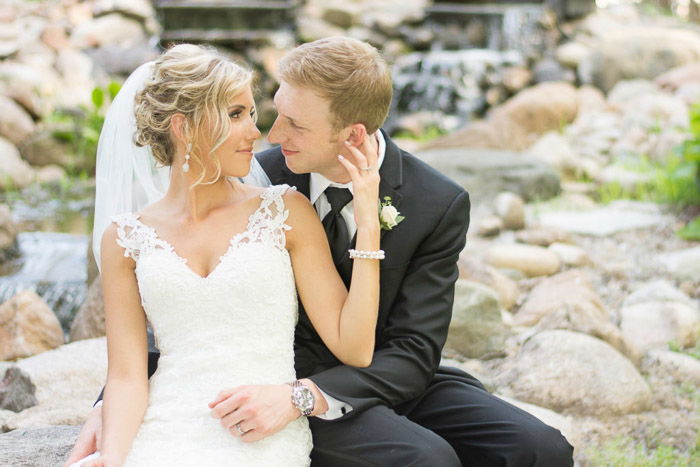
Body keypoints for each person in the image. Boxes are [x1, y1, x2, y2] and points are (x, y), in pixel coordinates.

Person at [68, 37, 575, 467]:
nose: (270, 134)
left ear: (351, 134)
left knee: (538, 449)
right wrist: (111, 402)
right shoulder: (256, 172)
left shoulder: (435, 203)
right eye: (270, 114)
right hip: (273, 378)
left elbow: (414, 351)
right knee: (425, 458)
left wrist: (304, 395)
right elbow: (197, 307)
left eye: (294, 124)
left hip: (388, 374)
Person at [67, 42, 384, 466]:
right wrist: (113, 456)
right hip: (164, 426)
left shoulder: (284, 211)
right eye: (236, 115)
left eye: (251, 113)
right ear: (183, 127)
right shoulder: (125, 238)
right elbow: (126, 377)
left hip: (259, 432)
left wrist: (368, 224)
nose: (257, 133)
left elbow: (355, 347)